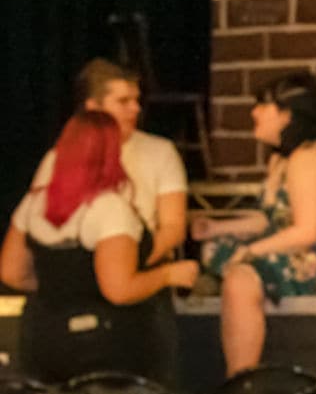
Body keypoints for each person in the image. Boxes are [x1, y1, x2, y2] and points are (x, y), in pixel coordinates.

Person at [195, 73, 316, 375]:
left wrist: (250, 252)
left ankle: (240, 379)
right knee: (217, 248)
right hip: (300, 253)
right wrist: (216, 227)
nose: (254, 113)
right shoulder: (282, 161)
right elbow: (273, 219)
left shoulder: (310, 158)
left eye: (263, 106)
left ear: (287, 115)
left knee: (240, 276)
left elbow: (306, 231)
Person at [1, 111, 199, 379]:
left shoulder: (34, 202)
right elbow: (119, 290)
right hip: (105, 345)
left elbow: (12, 272)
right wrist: (168, 275)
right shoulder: (109, 209)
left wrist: (61, 285)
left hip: (44, 338)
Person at [44, 59, 192, 379]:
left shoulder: (160, 152)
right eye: (123, 101)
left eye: (136, 100)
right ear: (92, 107)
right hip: (76, 289)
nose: (135, 109)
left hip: (143, 282)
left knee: (152, 383)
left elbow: (173, 225)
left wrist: (131, 267)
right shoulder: (59, 158)